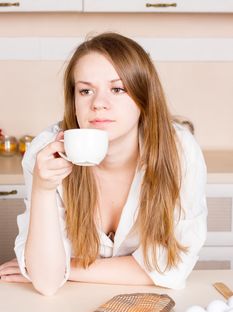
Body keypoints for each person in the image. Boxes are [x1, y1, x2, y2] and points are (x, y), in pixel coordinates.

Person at [0, 32, 207, 296]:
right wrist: (43, 188)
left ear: (144, 98)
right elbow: (47, 283)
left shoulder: (179, 151)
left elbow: (171, 267)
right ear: (73, 103)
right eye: (85, 91)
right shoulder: (45, 154)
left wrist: (67, 269)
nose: (98, 104)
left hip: (147, 304)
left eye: (117, 89)